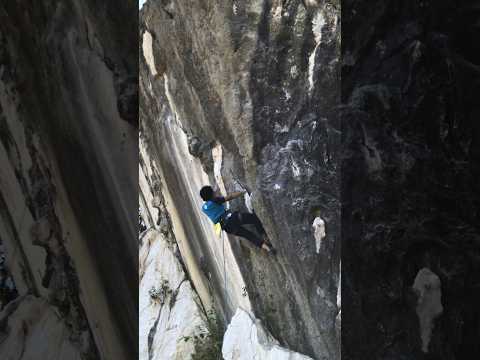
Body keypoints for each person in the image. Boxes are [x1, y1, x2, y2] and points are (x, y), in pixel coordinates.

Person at [199, 185, 276, 254]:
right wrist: (242, 192)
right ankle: (264, 236)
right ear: (211, 195)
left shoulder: (204, 208)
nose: (215, 193)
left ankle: (267, 248)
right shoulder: (214, 201)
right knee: (254, 218)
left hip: (228, 228)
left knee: (248, 235)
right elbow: (230, 197)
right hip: (232, 218)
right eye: (213, 192)